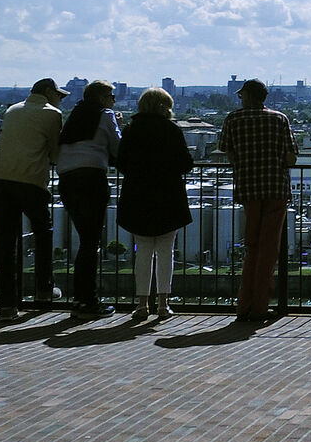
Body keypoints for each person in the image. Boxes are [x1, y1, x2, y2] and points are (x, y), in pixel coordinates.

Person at [212, 78, 298, 322]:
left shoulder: (232, 119)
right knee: (269, 250)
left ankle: (244, 305)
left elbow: (228, 153)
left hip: (248, 189)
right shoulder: (280, 119)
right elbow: (291, 158)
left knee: (252, 247)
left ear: (247, 96)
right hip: (275, 189)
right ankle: (260, 307)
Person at [0, 77, 65, 324]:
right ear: (50, 93)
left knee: (6, 242)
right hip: (29, 181)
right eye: (59, 95)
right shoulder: (52, 114)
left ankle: (7, 304)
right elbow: (55, 153)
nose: (60, 100)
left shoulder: (12, 110)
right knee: (43, 232)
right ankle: (44, 289)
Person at [114, 86, 194, 324]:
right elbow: (185, 164)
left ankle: (141, 303)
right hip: (168, 197)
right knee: (165, 252)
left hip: (138, 196)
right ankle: (163, 303)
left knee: (143, 252)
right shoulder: (171, 130)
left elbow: (122, 162)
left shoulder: (131, 129)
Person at [55, 81, 123, 317]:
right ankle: (87, 301)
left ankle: (80, 299)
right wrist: (119, 126)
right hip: (91, 178)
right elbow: (118, 148)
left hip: (66, 179)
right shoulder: (106, 115)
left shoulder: (75, 115)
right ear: (103, 98)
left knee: (85, 240)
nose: (114, 100)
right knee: (90, 242)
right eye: (112, 96)